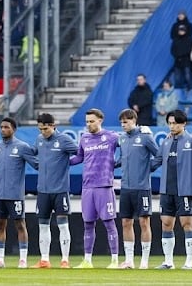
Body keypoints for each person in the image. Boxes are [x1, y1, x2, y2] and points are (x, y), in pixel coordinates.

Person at [151, 109, 192, 270]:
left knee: (187, 224)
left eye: (175, 123)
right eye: (170, 123)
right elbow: (156, 161)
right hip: (167, 189)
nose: (172, 126)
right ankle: (168, 262)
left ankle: (189, 262)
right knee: (166, 224)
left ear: (184, 123)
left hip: (185, 190)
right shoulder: (166, 142)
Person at [70, 108, 121, 269]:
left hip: (104, 185)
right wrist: (62, 161)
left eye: (91, 121)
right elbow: (79, 157)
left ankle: (114, 260)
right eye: (87, 122)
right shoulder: (84, 138)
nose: (88, 124)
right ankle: (87, 260)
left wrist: (118, 163)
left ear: (100, 120)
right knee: (88, 224)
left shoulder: (111, 137)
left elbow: (128, 145)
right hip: (87, 186)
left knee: (109, 223)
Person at [32, 112, 79, 268]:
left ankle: (65, 260)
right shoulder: (39, 140)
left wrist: (69, 163)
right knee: (43, 225)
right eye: (40, 129)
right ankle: (44, 259)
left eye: (45, 129)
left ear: (53, 126)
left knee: (63, 225)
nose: (43, 132)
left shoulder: (64, 140)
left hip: (60, 190)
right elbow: (33, 153)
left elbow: (80, 153)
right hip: (43, 190)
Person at [0, 117, 35, 269]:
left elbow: (36, 164)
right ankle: (0, 260)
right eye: (1, 127)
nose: (3, 129)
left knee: (20, 225)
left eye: (6, 127)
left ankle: (23, 259)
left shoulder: (22, 147)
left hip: (15, 195)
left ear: (13, 129)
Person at [117, 108, 160, 270]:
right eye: (121, 122)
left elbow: (159, 155)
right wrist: (110, 164)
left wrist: (149, 168)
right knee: (126, 222)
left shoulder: (145, 137)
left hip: (142, 187)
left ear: (134, 121)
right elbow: (122, 158)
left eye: (126, 122)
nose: (123, 125)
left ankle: (144, 261)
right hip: (126, 187)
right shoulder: (122, 139)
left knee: (144, 222)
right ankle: (129, 260)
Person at [170, 25, 192, 90]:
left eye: (182, 30)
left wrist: (181, 55)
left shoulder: (189, 39)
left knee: (187, 76)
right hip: (177, 61)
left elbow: (190, 50)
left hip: (186, 60)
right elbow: (172, 50)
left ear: (185, 31)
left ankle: (190, 89)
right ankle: (178, 91)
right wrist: (176, 56)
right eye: (180, 30)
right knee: (177, 78)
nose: (181, 32)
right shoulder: (175, 40)